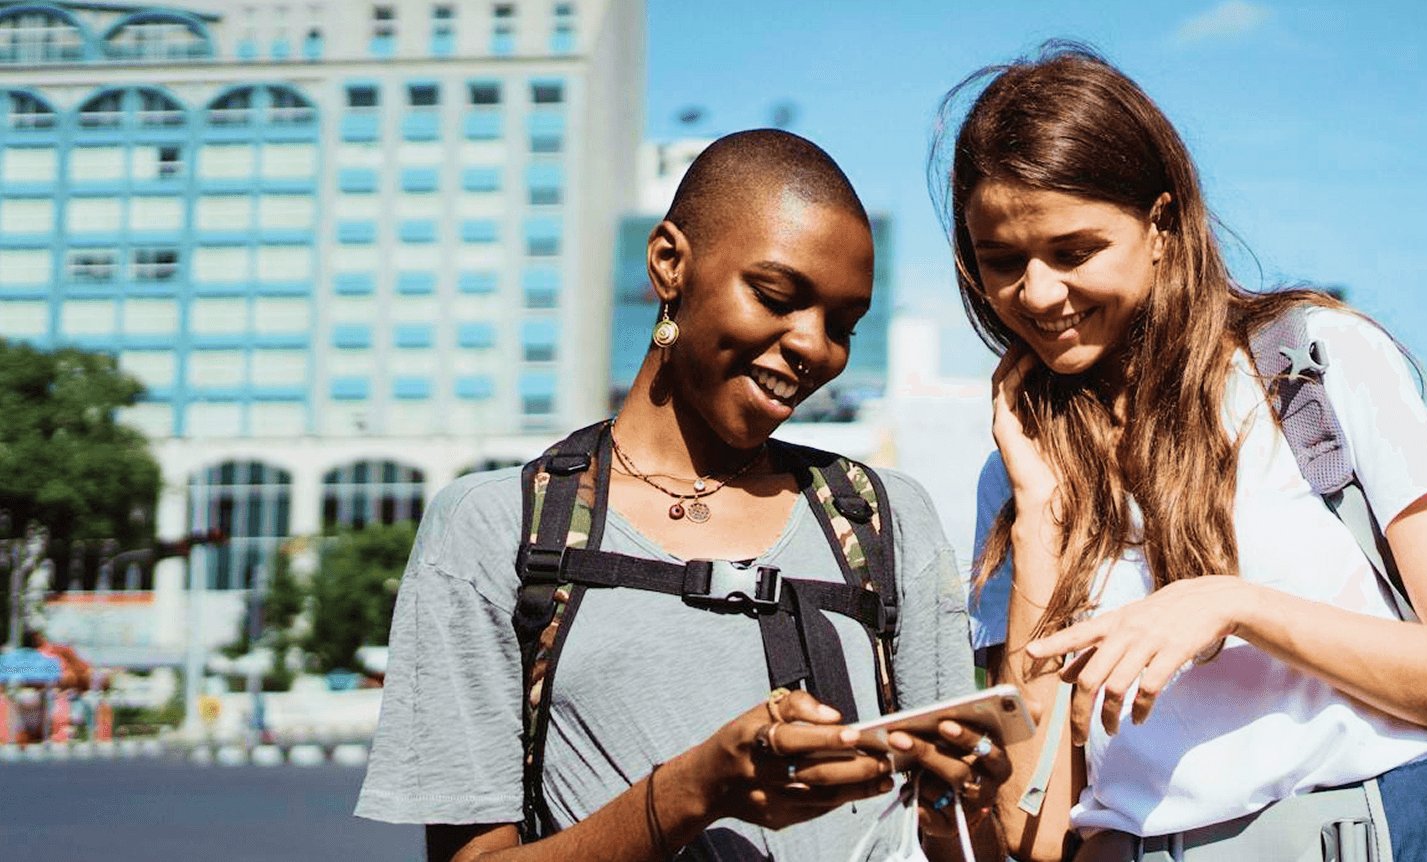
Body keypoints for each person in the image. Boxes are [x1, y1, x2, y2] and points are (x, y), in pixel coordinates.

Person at [941, 46, 1427, 861]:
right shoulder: (1019, 474)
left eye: (1074, 251)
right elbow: (1032, 828)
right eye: (1002, 262)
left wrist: (1237, 606)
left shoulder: (1315, 367)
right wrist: (1039, 521)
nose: (1039, 293)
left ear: (1160, 225)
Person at [357, 129, 1010, 861]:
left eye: (843, 325)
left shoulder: (885, 521)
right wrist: (696, 789)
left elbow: (964, 840)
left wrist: (962, 803)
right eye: (776, 295)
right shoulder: (499, 526)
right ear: (669, 263)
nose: (815, 347)